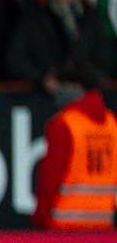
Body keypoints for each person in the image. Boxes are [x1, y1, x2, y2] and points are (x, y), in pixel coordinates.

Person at [32, 60, 116, 231]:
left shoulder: (64, 124)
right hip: (102, 221)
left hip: (64, 222)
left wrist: (41, 216)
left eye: (58, 86)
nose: (56, 93)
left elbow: (50, 177)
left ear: (74, 85)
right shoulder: (111, 123)